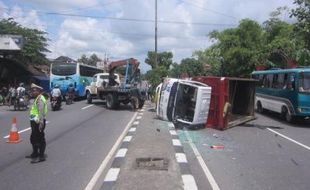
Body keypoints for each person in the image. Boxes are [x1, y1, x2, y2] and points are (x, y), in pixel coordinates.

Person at [26, 83, 48, 163]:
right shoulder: (35, 98)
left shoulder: (40, 98)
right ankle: (35, 153)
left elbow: (41, 111)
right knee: (33, 138)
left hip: (39, 122)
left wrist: (41, 123)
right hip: (34, 121)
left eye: (35, 90)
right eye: (32, 90)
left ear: (39, 91)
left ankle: (41, 156)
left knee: (39, 139)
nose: (33, 92)